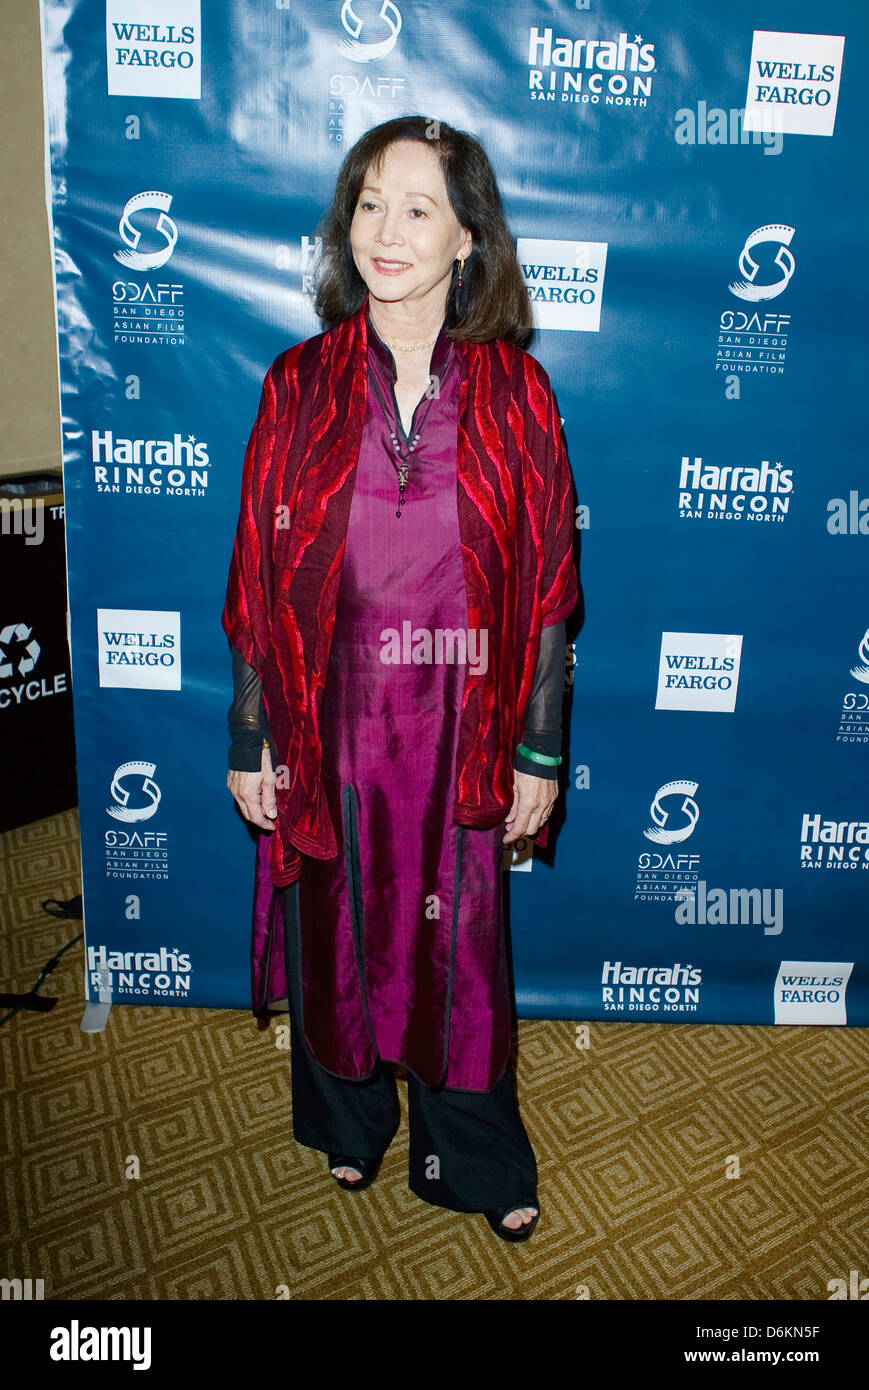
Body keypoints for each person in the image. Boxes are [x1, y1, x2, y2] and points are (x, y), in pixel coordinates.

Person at [222, 114, 580, 1243]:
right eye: (369, 201)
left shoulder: (516, 394)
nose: (385, 228)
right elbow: (255, 569)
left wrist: (537, 748)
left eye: (418, 206)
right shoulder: (296, 384)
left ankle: (469, 1152)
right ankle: (350, 1122)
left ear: (467, 236)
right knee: (335, 928)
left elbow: (551, 590)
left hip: (461, 729)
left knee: (460, 951)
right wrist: (250, 735)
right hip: (329, 727)